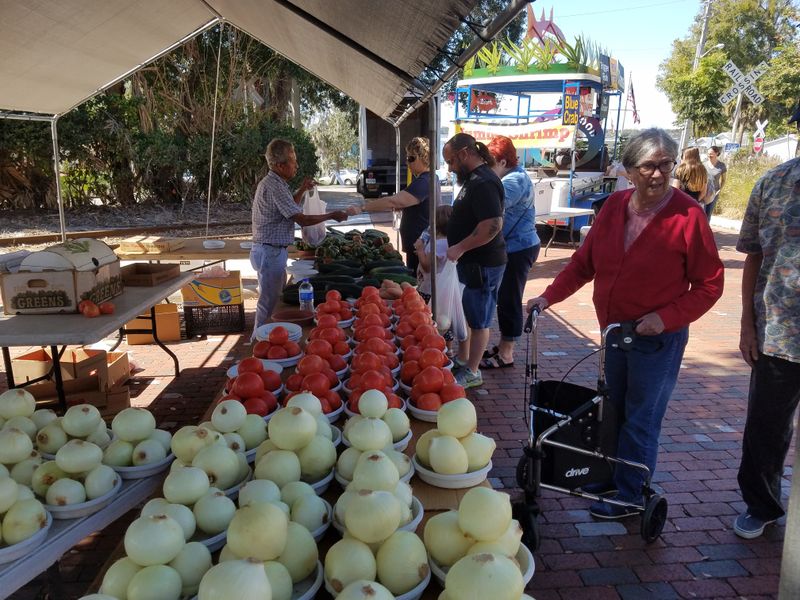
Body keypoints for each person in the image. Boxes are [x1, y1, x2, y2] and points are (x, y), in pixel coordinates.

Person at [526, 128, 724, 519]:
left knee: (642, 416)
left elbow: (710, 284)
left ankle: (632, 493)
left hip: (656, 338)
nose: (658, 173)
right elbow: (584, 264)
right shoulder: (614, 207)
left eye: (665, 164)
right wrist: (548, 297)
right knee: (612, 408)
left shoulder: (688, 214)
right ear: (629, 170)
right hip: (615, 332)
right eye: (649, 166)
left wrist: (665, 318)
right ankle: (613, 475)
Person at [733, 106, 800, 539]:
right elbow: (753, 257)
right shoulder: (772, 184)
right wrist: (746, 325)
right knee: (766, 429)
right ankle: (763, 505)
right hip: (778, 333)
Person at [250, 138, 353, 338]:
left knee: (273, 300)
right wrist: (331, 215)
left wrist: (303, 189)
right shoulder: (275, 186)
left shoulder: (276, 183)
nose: (296, 165)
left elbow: (291, 207)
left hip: (271, 250)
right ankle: (259, 342)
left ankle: (266, 337)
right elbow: (302, 219)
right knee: (269, 303)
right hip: (270, 251)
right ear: (280, 165)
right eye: (292, 161)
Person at [443, 133, 507, 389]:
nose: (449, 167)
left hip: (484, 263)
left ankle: (473, 371)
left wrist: (460, 246)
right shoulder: (473, 180)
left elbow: (492, 224)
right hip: (472, 263)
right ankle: (464, 359)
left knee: (479, 320)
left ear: (464, 154)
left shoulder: (484, 182)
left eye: (451, 161)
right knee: (469, 314)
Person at [480, 135, 541, 370]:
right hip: (515, 246)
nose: (487, 170)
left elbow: (489, 207)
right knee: (506, 298)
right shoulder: (512, 176)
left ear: (503, 162)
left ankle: (507, 353)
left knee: (509, 299)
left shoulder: (513, 182)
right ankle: (504, 344)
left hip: (519, 248)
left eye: (490, 165)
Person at [362, 137, 436, 272]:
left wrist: (362, 208)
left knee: (417, 285)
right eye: (407, 158)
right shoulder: (424, 179)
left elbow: (393, 201)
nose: (408, 163)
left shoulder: (425, 181)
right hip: (417, 245)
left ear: (424, 157)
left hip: (420, 246)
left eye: (411, 159)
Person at [414, 204, 452, 304]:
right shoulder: (445, 241)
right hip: (435, 287)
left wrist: (420, 250)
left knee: (427, 313)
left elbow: (427, 266)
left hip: (429, 290)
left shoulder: (438, 244)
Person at [704, 145, 727, 219]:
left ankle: (706, 229)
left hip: (714, 193)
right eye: (708, 154)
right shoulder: (703, 164)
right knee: (701, 212)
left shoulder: (721, 165)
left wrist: (719, 190)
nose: (709, 155)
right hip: (703, 192)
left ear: (717, 153)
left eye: (711, 153)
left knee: (708, 214)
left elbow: (723, 180)